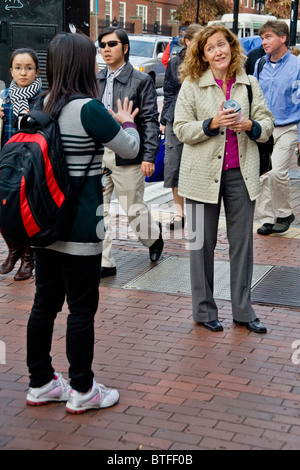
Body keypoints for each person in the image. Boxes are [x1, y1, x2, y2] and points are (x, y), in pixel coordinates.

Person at [25, 32, 140, 414]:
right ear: (81, 64)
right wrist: (126, 122)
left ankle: (40, 382)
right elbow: (129, 150)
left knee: (44, 304)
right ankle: (82, 389)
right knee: (81, 309)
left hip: (43, 224)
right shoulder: (89, 108)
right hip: (80, 228)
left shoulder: (41, 104)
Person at [173, 25, 274, 334]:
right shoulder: (191, 85)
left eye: (222, 45)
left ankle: (243, 312)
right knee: (200, 245)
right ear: (202, 56)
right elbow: (181, 129)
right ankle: (204, 311)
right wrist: (211, 123)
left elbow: (268, 123)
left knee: (242, 246)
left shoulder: (249, 83)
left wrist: (250, 125)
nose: (218, 51)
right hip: (200, 177)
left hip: (241, 176)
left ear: (232, 47)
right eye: (210, 48)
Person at [97, 27, 163, 278]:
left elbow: (148, 120)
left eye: (111, 44)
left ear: (125, 48)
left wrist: (148, 156)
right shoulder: (97, 79)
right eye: (102, 45)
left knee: (133, 208)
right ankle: (105, 261)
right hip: (100, 153)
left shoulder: (140, 80)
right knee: (98, 208)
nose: (105, 49)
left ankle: (153, 240)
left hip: (128, 152)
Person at [254, 21, 300, 235]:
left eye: (268, 37)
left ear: (283, 38)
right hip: (264, 128)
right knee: (263, 175)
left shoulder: (297, 66)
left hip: (288, 127)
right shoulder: (260, 64)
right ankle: (267, 219)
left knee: (278, 172)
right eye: (262, 38)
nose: (264, 42)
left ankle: (284, 213)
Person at [0, 48, 42, 281]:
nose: (23, 73)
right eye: (18, 68)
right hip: (6, 159)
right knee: (4, 210)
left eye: (28, 68)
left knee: (25, 210)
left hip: (30, 161)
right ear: (11, 70)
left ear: (37, 71)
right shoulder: (4, 95)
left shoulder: (42, 98)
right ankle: (14, 250)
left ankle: (28, 257)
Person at [160, 24, 202, 230]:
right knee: (174, 164)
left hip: (199, 119)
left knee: (197, 166)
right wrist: (163, 121)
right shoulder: (175, 62)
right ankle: (179, 213)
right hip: (174, 119)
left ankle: (197, 213)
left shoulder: (207, 62)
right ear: (187, 41)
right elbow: (168, 91)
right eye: (198, 39)